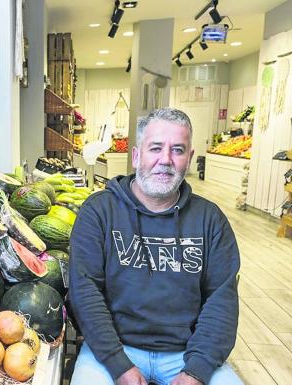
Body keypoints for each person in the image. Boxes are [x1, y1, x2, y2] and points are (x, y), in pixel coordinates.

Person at [69, 108, 244, 385]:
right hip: (113, 348)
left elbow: (221, 302)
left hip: (186, 353)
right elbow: (85, 292)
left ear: (190, 157)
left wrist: (196, 371)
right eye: (155, 148)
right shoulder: (99, 212)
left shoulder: (210, 220)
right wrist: (118, 364)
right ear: (137, 155)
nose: (166, 160)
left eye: (177, 149)